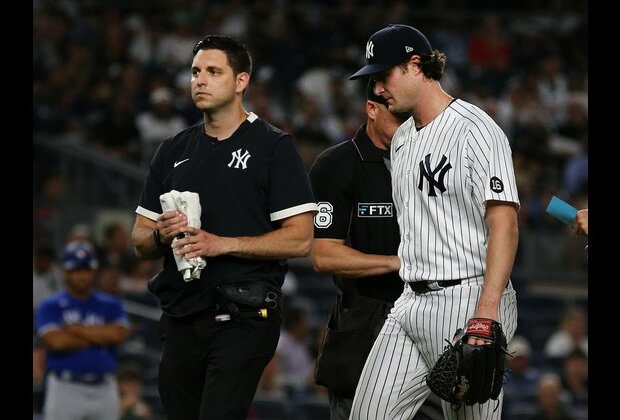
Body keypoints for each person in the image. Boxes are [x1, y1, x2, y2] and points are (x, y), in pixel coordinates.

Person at [131, 34, 317, 420]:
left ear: (241, 81)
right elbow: (139, 240)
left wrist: (222, 244)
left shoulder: (273, 146)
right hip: (182, 315)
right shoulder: (173, 150)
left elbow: (300, 239)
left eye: (213, 71)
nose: (199, 80)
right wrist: (160, 235)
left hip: (244, 314)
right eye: (195, 71)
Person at [347, 24, 520, 420]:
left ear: (414, 65)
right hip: (409, 300)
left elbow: (504, 223)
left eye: (382, 75)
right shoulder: (404, 137)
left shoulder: (475, 130)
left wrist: (488, 310)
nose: (376, 89)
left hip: (467, 299)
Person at [310, 79, 441, 420]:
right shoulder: (337, 164)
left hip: (429, 315)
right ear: (371, 109)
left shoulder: (426, 161)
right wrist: (400, 262)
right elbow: (324, 255)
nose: (408, 126)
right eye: (398, 117)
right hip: (366, 318)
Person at [35, 240, 130, 420]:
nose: (81, 276)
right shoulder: (51, 305)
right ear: (65, 272)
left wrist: (75, 329)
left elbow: (118, 334)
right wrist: (99, 336)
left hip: (105, 385)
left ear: (93, 271)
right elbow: (56, 342)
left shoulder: (110, 303)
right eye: (76, 270)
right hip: (65, 387)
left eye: (86, 270)